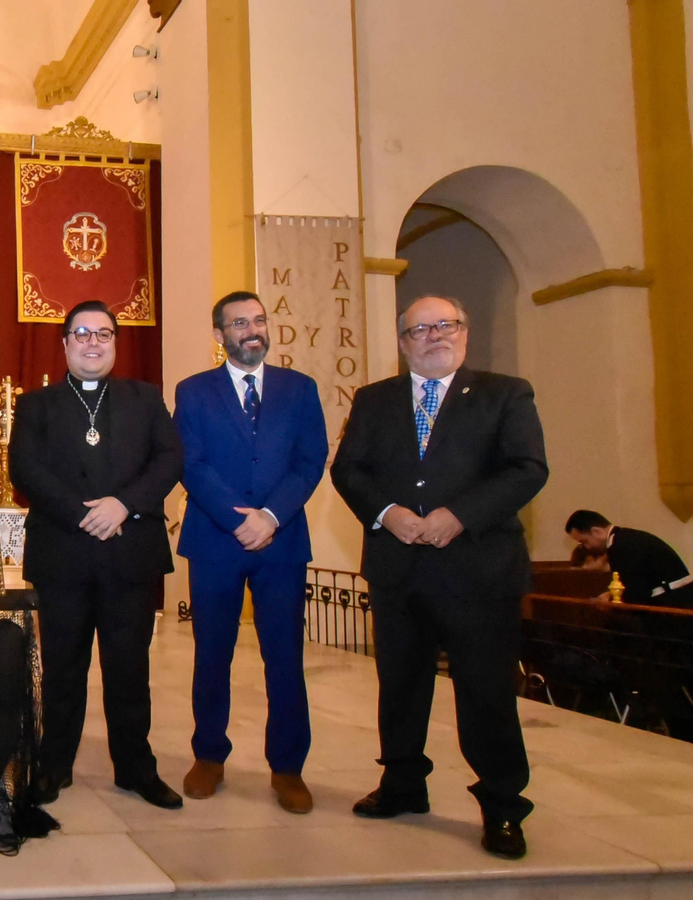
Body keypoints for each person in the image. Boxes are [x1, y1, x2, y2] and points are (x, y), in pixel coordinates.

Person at [331, 295, 548, 860]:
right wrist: (387, 513)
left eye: (445, 325)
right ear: (403, 343)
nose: (434, 336)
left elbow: (527, 469)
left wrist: (461, 516)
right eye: (419, 329)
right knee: (400, 686)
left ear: (464, 332)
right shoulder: (374, 399)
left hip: (477, 571)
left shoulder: (505, 393)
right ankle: (403, 784)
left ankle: (502, 805)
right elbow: (348, 468)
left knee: (486, 693)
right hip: (398, 568)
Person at [9, 300, 185, 810]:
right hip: (64, 553)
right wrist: (84, 514)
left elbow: (170, 458)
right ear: (64, 345)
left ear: (115, 343)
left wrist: (123, 505)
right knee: (63, 668)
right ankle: (54, 766)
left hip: (129, 556)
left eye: (103, 334)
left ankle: (135, 768)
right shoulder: (36, 405)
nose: (92, 342)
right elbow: (25, 469)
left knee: (129, 670)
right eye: (81, 334)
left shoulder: (145, 399)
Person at [173, 291, 328, 813]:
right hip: (216, 540)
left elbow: (311, 460)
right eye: (239, 323)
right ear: (220, 335)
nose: (252, 330)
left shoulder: (300, 389)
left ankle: (288, 768)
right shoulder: (193, 392)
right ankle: (209, 756)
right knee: (211, 655)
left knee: (284, 657)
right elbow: (190, 463)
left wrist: (271, 517)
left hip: (281, 542)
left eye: (258, 320)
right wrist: (237, 519)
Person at [565, 510, 692, 607]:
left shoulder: (620, 546)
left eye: (584, 541)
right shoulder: (624, 538)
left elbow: (635, 592)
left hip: (673, 604)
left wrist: (609, 600)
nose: (586, 547)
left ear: (596, 531)